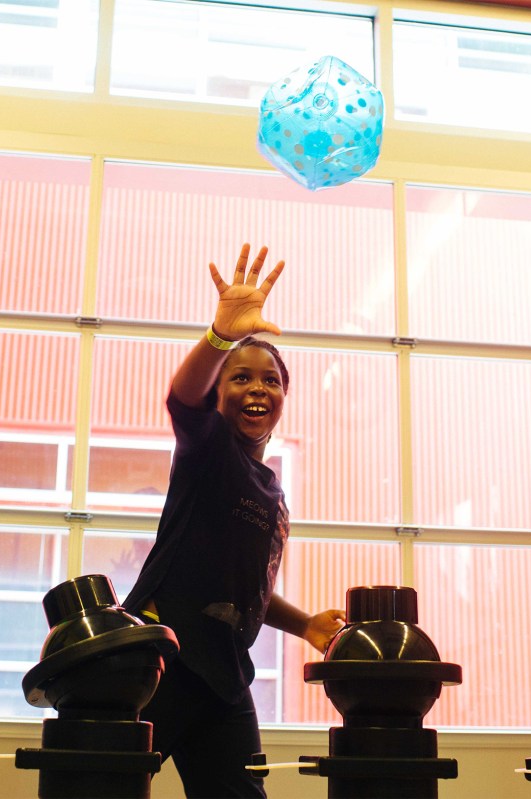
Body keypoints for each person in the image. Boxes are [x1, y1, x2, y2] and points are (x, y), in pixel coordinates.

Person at [122, 243, 345, 798]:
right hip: (161, 661)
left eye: (270, 380)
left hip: (222, 672)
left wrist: (308, 625)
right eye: (239, 378)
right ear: (218, 395)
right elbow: (182, 401)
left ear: (284, 396)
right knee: (111, 786)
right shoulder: (208, 450)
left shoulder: (270, 490)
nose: (257, 389)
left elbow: (240, 589)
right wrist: (220, 336)